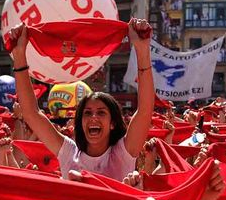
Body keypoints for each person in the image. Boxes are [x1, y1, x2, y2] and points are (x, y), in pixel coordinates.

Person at [8, 18, 155, 183]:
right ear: (80, 121)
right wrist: (19, 54)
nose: (93, 117)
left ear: (112, 123)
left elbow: (145, 110)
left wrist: (142, 51)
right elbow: (31, 113)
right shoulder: (69, 153)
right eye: (87, 113)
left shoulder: (123, 153)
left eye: (101, 112)